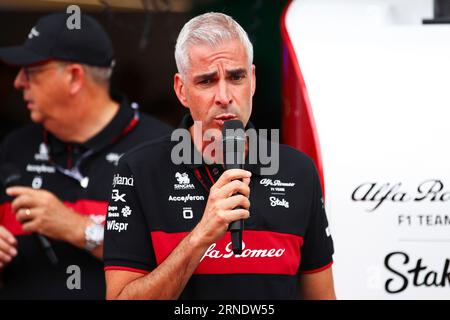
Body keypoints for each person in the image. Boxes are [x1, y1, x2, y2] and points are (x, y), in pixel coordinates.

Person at [103, 12, 335, 300]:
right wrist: (201, 235)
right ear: (181, 90)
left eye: (236, 77)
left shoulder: (298, 170)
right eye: (207, 81)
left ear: (252, 80)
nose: (224, 96)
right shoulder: (139, 169)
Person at [0, 12, 171, 299]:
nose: (18, 82)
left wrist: (80, 230)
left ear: (74, 77)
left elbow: (184, 262)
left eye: (31, 71)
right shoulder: (14, 147)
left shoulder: (161, 149)